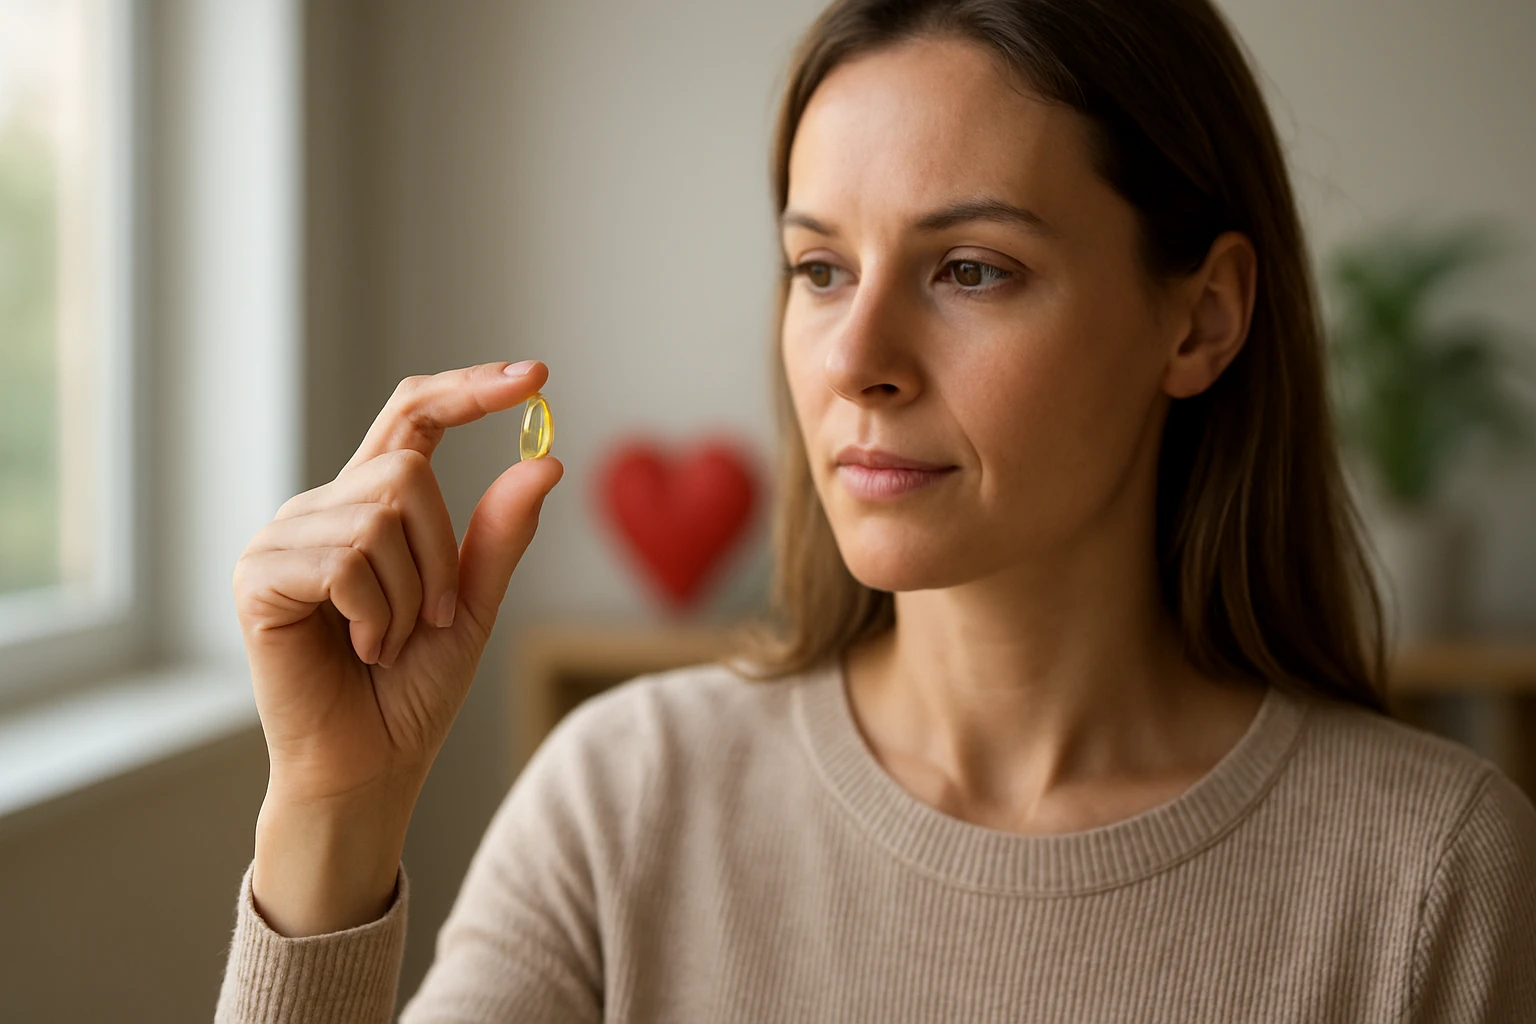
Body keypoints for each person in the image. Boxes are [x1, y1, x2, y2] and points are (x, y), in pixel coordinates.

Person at [215, 0, 1536, 1020]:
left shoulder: (1433, 876)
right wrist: (335, 806)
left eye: (971, 268)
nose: (855, 359)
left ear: (1201, 319)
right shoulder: (624, 805)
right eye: (819, 268)